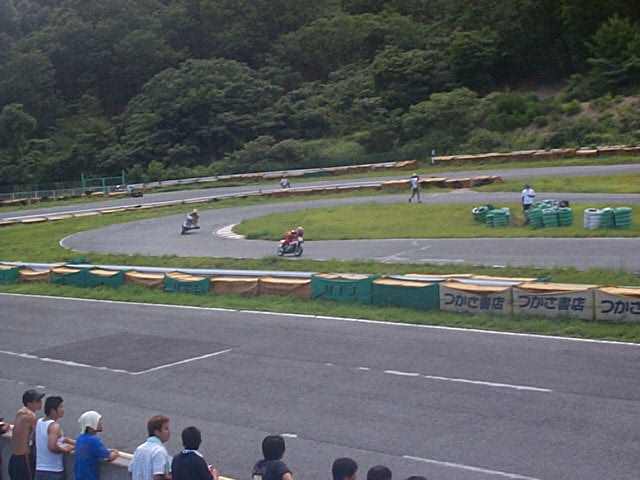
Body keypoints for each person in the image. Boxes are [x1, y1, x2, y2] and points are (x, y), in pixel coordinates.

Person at [35, 396, 73, 480]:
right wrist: (65, 449)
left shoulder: (39, 422)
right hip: (53, 471)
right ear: (53, 410)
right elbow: (52, 447)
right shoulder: (54, 426)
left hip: (39, 469)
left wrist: (74, 442)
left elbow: (55, 438)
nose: (63, 410)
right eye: (60, 407)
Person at [9, 389, 44, 480]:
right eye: (37, 401)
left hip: (14, 458)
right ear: (29, 403)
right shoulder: (31, 416)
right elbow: (40, 435)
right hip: (24, 460)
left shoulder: (20, 412)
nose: (41, 402)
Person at [74, 411, 119, 480]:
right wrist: (116, 452)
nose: (101, 423)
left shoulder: (80, 438)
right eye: (98, 421)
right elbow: (109, 456)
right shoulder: (93, 440)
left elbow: (94, 451)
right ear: (91, 425)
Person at [129, 415, 172, 480]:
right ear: (157, 432)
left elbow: (131, 471)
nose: (169, 432)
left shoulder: (139, 449)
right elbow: (158, 476)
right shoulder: (159, 451)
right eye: (166, 429)